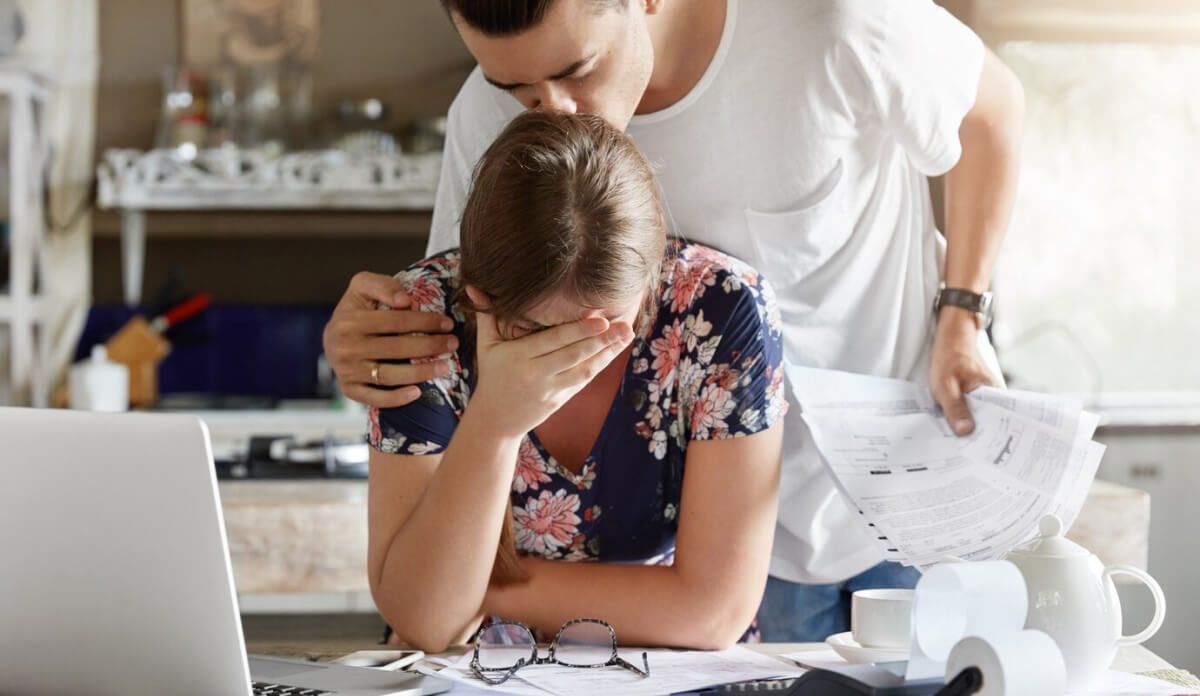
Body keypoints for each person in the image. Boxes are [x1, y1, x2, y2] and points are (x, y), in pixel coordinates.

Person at [326, 0, 1024, 641]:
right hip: (679, 538)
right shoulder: (487, 111)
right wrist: (365, 337)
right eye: (517, 89)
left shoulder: (830, 24)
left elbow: (993, 112)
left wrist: (963, 312)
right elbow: (464, 306)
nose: (553, 114)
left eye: (576, 70)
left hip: (879, 498)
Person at [367, 110, 787, 651]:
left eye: (608, 329)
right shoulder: (422, 318)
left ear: (650, 279)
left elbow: (712, 613)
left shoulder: (722, 308)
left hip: (671, 673)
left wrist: (474, 591)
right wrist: (494, 424)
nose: (576, 356)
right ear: (478, 298)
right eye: (538, 331)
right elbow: (426, 624)